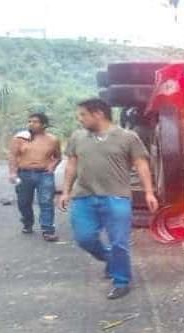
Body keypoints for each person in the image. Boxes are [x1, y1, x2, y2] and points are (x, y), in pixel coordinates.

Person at [59, 98, 158, 300]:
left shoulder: (128, 137)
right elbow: (71, 165)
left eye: (83, 115)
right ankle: (111, 260)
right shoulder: (78, 137)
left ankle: (121, 281)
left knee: (119, 242)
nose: (80, 120)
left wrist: (149, 192)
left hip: (116, 196)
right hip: (83, 196)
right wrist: (65, 191)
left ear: (99, 114)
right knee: (84, 238)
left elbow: (141, 165)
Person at [8, 112, 62, 242]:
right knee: (24, 202)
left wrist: (52, 167)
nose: (31, 124)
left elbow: (58, 157)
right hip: (24, 173)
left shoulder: (53, 140)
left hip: (44, 174)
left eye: (35, 121)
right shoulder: (20, 138)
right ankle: (27, 223)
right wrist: (12, 172)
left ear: (44, 124)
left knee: (46, 202)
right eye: (30, 121)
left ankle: (48, 230)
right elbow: (12, 156)